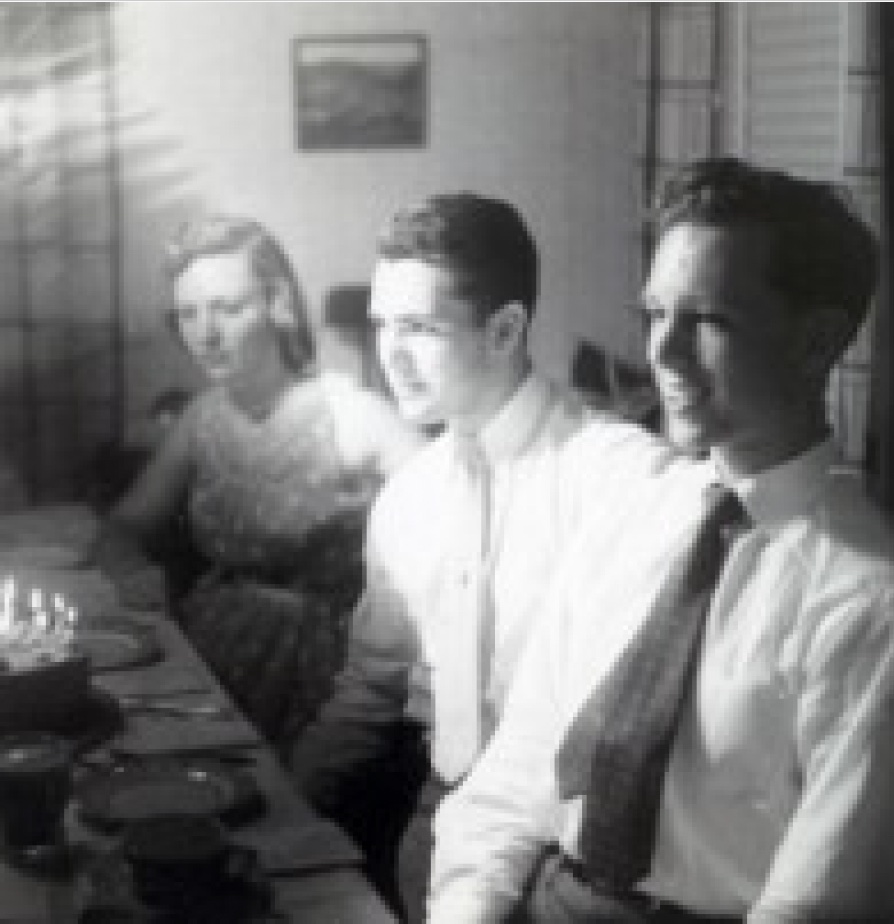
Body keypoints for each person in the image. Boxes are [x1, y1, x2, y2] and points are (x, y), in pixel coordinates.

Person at [428, 157, 894, 923]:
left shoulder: (865, 600)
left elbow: (811, 906)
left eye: (708, 321)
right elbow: (517, 774)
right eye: (655, 314)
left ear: (816, 340)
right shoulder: (631, 513)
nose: (664, 354)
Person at [288, 192, 680, 920]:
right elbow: (368, 695)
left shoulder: (617, 477)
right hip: (436, 834)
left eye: (419, 327)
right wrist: (278, 810)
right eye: (381, 325)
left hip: (576, 859)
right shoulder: (409, 497)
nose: (390, 354)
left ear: (504, 330)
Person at [98, 213, 423, 743]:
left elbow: (459, 515)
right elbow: (125, 526)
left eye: (227, 308)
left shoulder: (349, 412)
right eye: (188, 314)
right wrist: (135, 579)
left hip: (323, 670)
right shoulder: (202, 417)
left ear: (278, 305)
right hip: (212, 647)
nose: (205, 333)